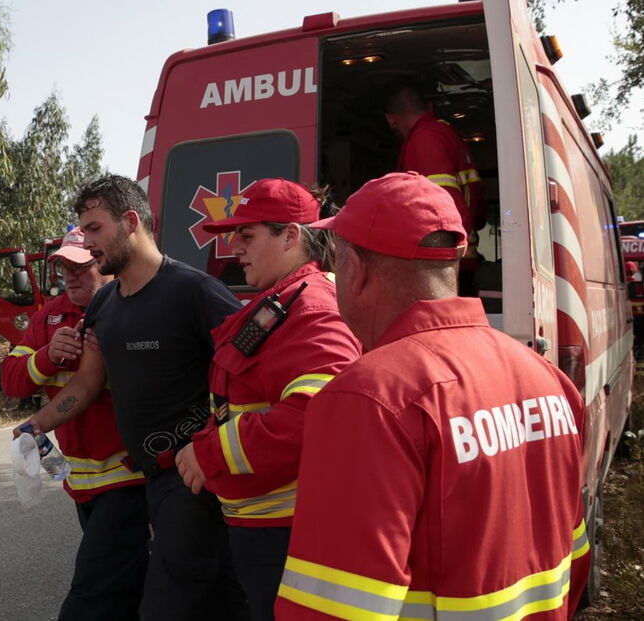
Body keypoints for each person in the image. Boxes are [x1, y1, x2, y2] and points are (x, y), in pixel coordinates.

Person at [275, 172, 590, 620]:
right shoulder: (547, 378)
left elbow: (332, 609)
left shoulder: (368, 400)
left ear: (355, 271)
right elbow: (574, 558)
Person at [14, 174, 248, 621]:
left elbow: (253, 373)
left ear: (130, 221)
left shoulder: (194, 291)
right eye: (82, 229)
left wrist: (215, 443)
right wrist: (38, 423)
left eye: (95, 228)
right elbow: (84, 385)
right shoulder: (105, 306)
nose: (88, 241)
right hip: (151, 480)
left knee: (167, 601)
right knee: (219, 596)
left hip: (195, 476)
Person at [174, 178, 362, 621]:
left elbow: (316, 416)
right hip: (264, 523)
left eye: (248, 235)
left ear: (292, 235)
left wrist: (209, 452)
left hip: (288, 530)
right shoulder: (285, 300)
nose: (234, 249)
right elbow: (244, 397)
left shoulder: (312, 307)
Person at [2, 226, 148, 621]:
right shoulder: (49, 317)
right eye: (62, 265)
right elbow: (11, 380)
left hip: (127, 476)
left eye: (80, 266)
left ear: (102, 264)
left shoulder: (130, 307)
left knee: (92, 591)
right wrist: (47, 356)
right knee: (127, 584)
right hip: (79, 480)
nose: (69, 274)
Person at [384, 78, 485, 234]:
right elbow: (478, 215)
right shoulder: (446, 134)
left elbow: (438, 213)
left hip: (444, 255)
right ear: (430, 107)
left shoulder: (424, 140)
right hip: (459, 254)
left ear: (390, 119)